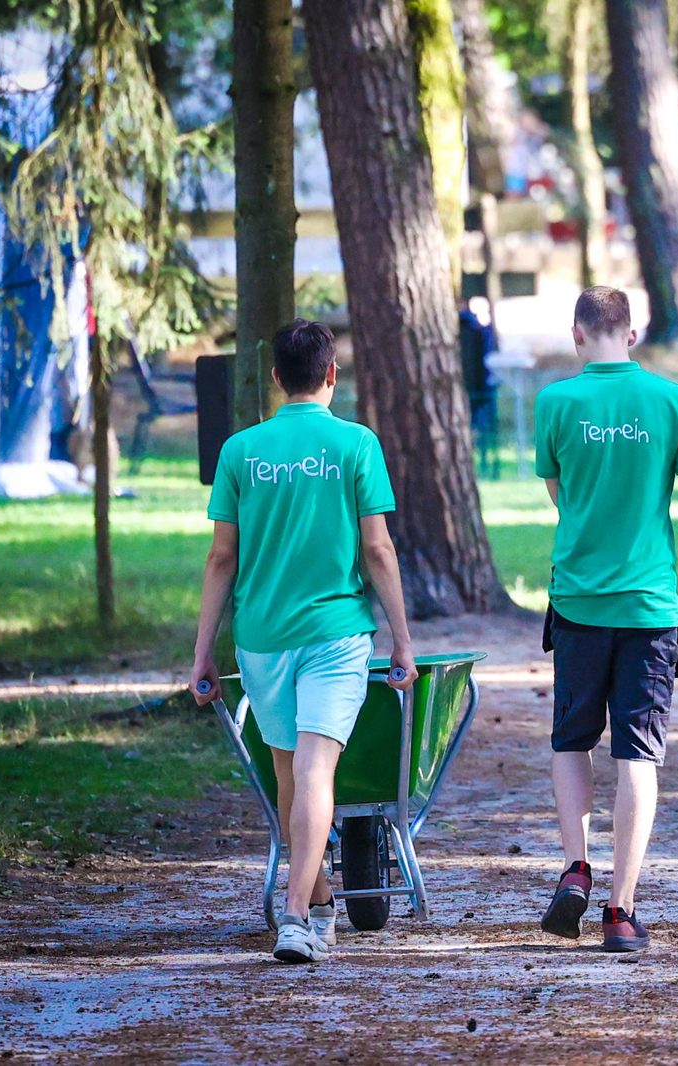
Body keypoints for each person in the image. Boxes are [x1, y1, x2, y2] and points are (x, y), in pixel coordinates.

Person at [189, 319, 417, 964]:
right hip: (335, 633)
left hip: (261, 637)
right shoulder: (355, 445)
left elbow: (220, 559)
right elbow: (376, 546)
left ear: (273, 380)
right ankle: (296, 914)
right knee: (317, 770)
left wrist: (204, 649)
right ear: (331, 374)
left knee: (291, 771)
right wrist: (401, 639)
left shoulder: (240, 451)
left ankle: (317, 908)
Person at [535, 286, 678, 953]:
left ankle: (575, 867)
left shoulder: (555, 402)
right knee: (638, 754)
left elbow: (562, 495)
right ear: (633, 334)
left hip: (578, 600)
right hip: (648, 607)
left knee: (571, 741)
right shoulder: (674, 401)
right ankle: (621, 910)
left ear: (579, 333)